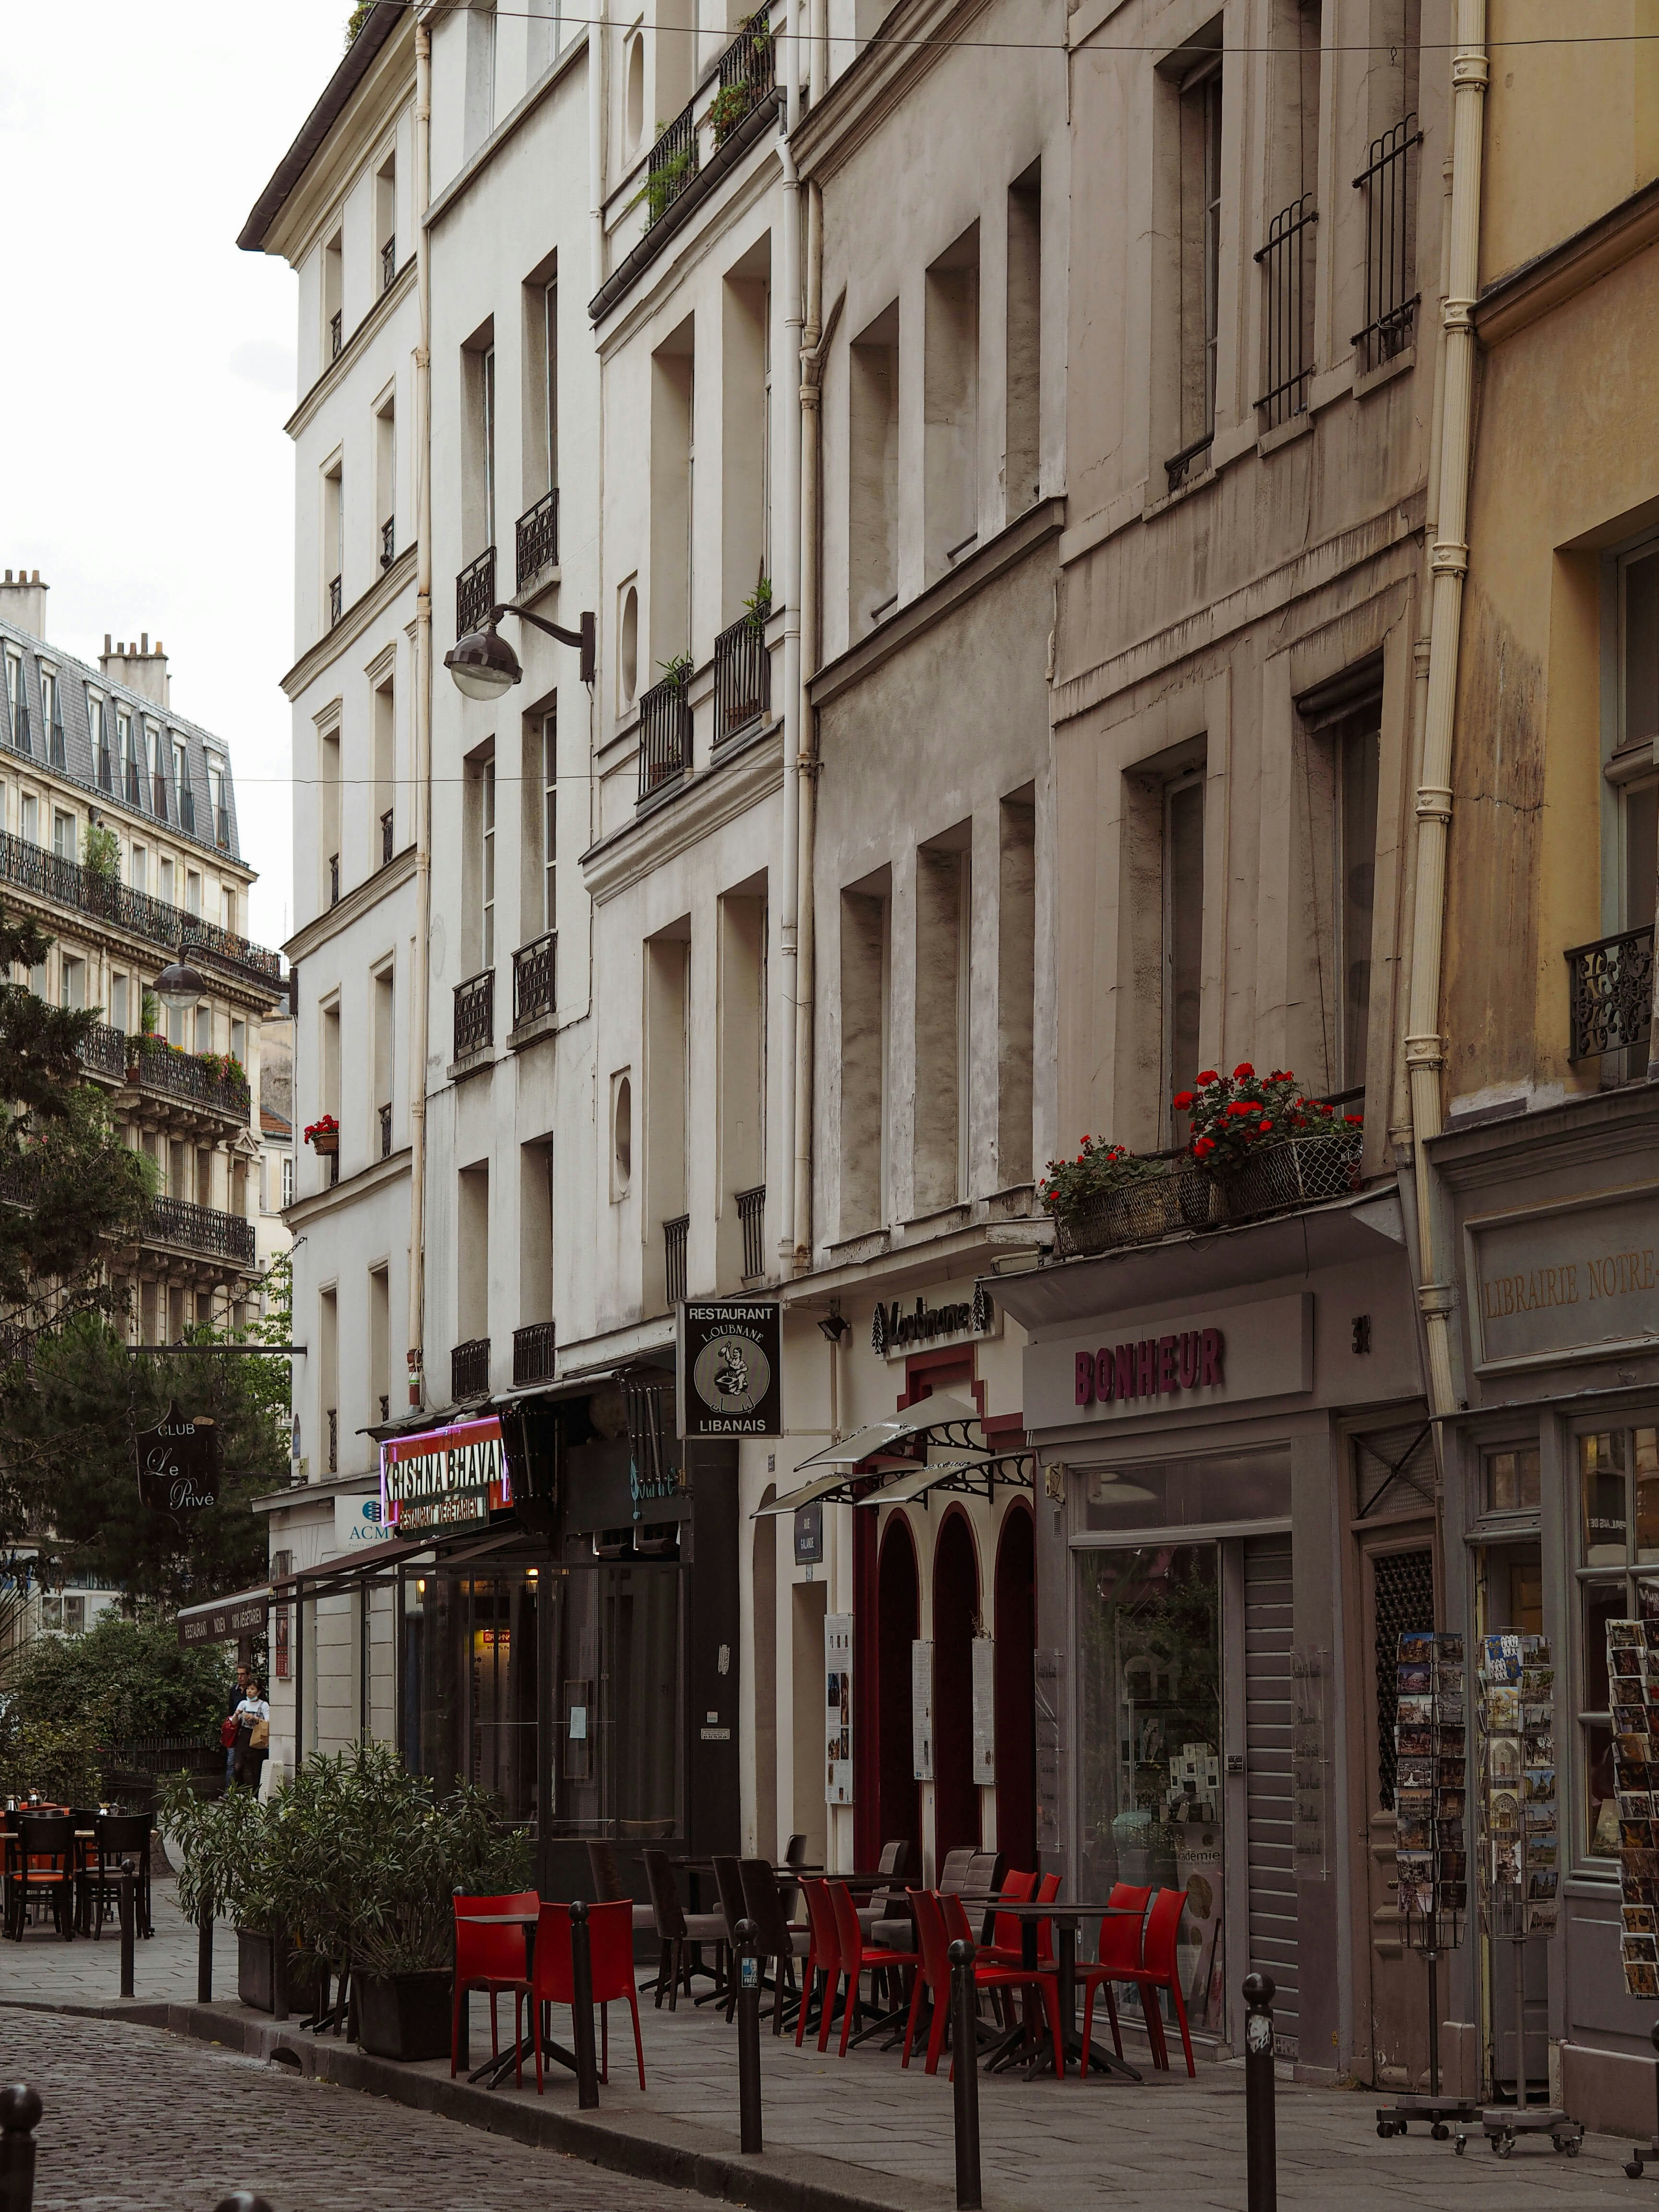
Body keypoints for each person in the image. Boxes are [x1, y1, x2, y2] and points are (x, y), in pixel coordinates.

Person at [231, 1679, 271, 1792]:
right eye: (248, 1689)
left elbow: (268, 1722)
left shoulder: (264, 1705)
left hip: (257, 1736)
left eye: (252, 1689)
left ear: (258, 1692)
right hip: (244, 1736)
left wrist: (255, 1719)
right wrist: (237, 1715)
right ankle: (240, 1792)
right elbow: (234, 1722)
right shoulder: (243, 1704)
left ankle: (256, 1795)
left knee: (256, 1769)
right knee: (238, 1766)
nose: (249, 1691)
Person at [223, 1664, 252, 1786]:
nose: (240, 1677)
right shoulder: (234, 1691)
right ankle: (230, 1791)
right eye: (238, 1675)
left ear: (248, 1676)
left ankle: (246, 1789)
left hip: (249, 1730)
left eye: (243, 1674)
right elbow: (230, 1712)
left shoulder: (253, 1690)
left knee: (248, 1763)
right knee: (232, 1762)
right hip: (235, 1730)